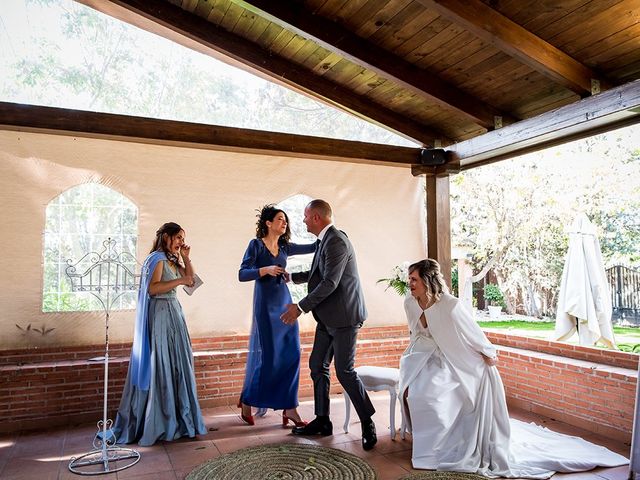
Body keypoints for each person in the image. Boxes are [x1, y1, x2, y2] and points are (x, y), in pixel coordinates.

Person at [400, 258, 628, 478]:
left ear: (428, 281)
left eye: (414, 279)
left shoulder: (451, 305)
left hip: (452, 359)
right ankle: (426, 443)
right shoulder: (409, 302)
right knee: (412, 393)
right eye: (409, 279)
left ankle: (437, 448)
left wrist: (487, 353)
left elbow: (472, 331)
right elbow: (415, 332)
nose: (409, 283)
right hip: (422, 355)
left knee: (430, 395)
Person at [281, 199, 377, 451]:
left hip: (345, 318)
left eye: (305, 216)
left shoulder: (336, 240)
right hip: (327, 318)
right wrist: (292, 277)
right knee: (317, 365)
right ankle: (323, 420)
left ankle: (368, 423)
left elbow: (330, 283)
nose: (302, 221)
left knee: (345, 371)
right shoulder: (326, 240)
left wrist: (299, 307)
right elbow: (319, 273)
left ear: (316, 218)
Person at [112, 222, 207, 446]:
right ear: (166, 237)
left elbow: (191, 282)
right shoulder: (157, 259)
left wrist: (186, 258)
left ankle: (181, 419)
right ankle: (161, 420)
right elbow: (153, 289)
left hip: (174, 313)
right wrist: (180, 280)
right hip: (161, 314)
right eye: (178, 238)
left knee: (178, 362)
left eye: (183, 238)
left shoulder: (172, 260)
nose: (181, 242)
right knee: (162, 362)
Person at [237, 205, 316, 427]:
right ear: (268, 223)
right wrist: (265, 270)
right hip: (265, 305)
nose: (285, 223)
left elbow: (313, 246)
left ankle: (289, 407)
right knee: (270, 358)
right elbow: (242, 273)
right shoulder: (256, 245)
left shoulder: (285, 246)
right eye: (280, 219)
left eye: (286, 220)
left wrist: (330, 233)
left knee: (293, 353)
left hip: (284, 302)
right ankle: (247, 399)